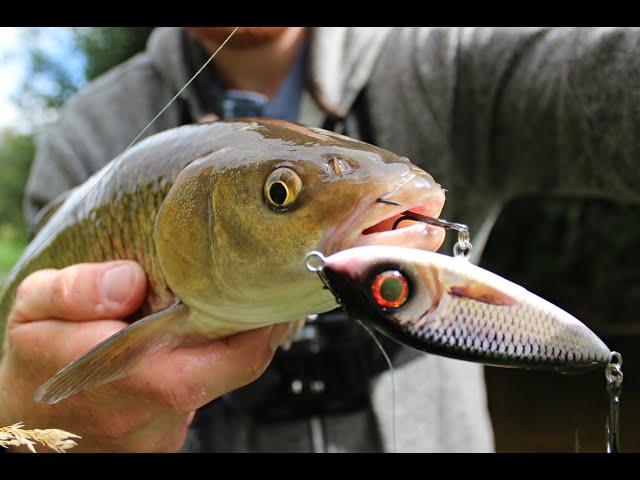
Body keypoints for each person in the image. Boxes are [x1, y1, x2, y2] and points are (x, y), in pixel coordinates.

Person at [3, 27, 639, 452]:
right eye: (281, 194)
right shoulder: (84, 134)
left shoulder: (444, 57)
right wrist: (22, 426)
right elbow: (26, 390)